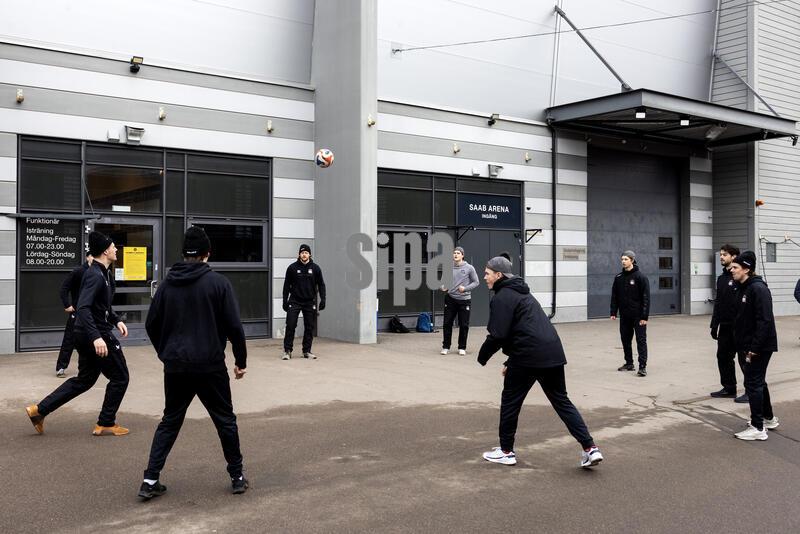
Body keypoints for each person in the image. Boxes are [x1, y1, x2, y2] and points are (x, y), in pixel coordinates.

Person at [139, 226, 248, 500]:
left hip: (176, 366)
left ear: (184, 254)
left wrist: (166, 352)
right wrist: (240, 360)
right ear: (207, 253)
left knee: (171, 420)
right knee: (224, 420)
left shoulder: (166, 286)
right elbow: (234, 326)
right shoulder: (219, 284)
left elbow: (151, 324)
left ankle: (150, 479)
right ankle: (237, 477)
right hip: (210, 365)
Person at [477, 256, 602, 468]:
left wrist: (482, 357)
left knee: (510, 402)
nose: (484, 277)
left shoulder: (502, 296)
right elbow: (525, 330)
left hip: (528, 356)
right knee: (561, 401)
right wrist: (510, 360)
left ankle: (506, 452)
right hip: (551, 352)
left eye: (487, 273)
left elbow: (499, 334)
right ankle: (590, 448)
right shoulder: (523, 293)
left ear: (498, 275)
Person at [26, 231, 130, 436]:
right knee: (120, 378)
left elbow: (102, 306)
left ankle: (38, 411)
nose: (116, 249)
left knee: (84, 380)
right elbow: (83, 307)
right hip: (94, 335)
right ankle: (106, 422)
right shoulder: (94, 275)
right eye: (113, 246)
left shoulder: (104, 273)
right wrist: (97, 337)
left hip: (87, 334)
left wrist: (116, 320)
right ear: (105, 251)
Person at [729, 251, 779, 441]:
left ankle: (758, 428)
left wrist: (754, 348)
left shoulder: (758, 289)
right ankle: (768, 419)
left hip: (758, 346)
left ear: (747, 269)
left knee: (753, 383)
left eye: (735, 267)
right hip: (748, 344)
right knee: (758, 382)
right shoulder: (743, 287)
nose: (731, 270)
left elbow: (764, 321)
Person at [709, 244, 748, 402]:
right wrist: (714, 324)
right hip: (725, 325)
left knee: (743, 358)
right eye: (720, 255)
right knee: (723, 356)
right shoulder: (721, 279)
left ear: (734, 257)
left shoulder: (739, 278)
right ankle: (729, 387)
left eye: (724, 255)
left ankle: (751, 391)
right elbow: (718, 303)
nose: (721, 257)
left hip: (740, 326)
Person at [282, 244, 326, 360]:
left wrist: (323, 299)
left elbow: (321, 284)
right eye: (302, 253)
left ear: (309, 254)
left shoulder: (316, 268)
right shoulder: (292, 268)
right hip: (294, 301)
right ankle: (287, 351)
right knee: (290, 325)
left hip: (309, 302)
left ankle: (306, 351)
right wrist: (284, 300)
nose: (304, 254)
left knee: (309, 327)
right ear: (299, 254)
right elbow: (286, 285)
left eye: (306, 252)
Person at [610, 250, 650, 377]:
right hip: (625, 315)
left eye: (626, 259)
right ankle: (629, 363)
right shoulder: (618, 278)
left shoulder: (641, 277)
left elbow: (646, 298)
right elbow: (614, 296)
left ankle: (642, 366)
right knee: (625, 340)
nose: (623, 261)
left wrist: (644, 316)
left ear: (632, 260)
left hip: (638, 316)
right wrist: (613, 311)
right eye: (622, 259)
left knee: (641, 341)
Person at [55, 251, 93, 377]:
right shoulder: (78, 271)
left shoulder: (99, 272)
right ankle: (61, 367)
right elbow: (64, 288)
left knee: (93, 340)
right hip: (77, 312)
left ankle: (90, 368)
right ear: (87, 257)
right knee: (69, 340)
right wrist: (67, 305)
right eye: (92, 255)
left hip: (92, 312)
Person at [440, 246, 479, 355]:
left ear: (462, 255)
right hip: (450, 299)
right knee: (447, 323)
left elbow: (476, 282)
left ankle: (462, 347)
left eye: (458, 253)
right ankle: (446, 346)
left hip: (464, 300)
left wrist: (465, 288)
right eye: (454, 253)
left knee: (464, 324)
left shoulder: (469, 268)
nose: (455, 255)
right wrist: (443, 287)